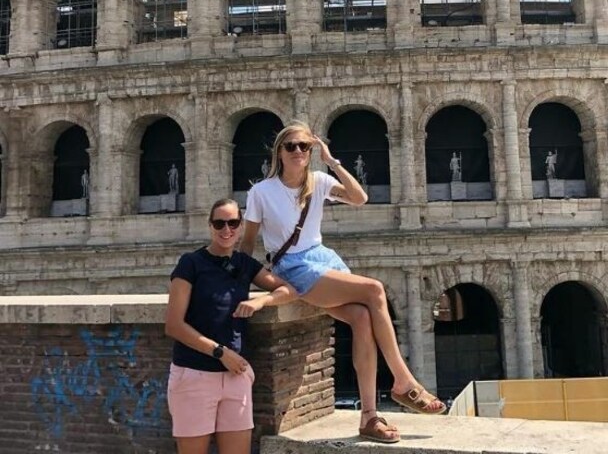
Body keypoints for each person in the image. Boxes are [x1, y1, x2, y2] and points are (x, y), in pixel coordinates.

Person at [241, 121, 445, 445]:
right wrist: (253, 283)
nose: (298, 152)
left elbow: (359, 197)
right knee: (375, 289)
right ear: (279, 151)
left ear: (312, 152)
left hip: (323, 259)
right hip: (292, 267)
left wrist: (332, 161)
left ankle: (369, 417)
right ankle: (403, 381)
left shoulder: (319, 182)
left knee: (363, 318)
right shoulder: (261, 193)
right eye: (291, 146)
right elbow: (247, 243)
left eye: (304, 147)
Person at [165, 197, 297, 454]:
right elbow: (173, 325)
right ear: (210, 226)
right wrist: (220, 352)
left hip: (235, 376)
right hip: (194, 374)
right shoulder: (190, 263)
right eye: (219, 223)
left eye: (233, 223)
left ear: (240, 226)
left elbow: (289, 289)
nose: (226, 230)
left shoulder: (244, 264)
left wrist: (261, 302)